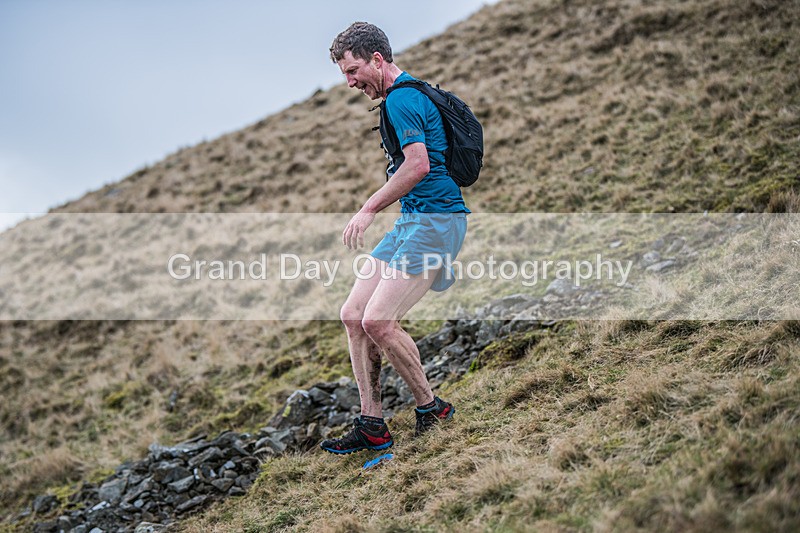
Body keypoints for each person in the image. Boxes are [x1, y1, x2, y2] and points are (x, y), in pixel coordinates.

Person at [320, 22, 469, 454]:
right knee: (353, 314)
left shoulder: (402, 99)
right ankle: (372, 424)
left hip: (437, 221)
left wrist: (368, 208)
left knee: (378, 321)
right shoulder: (402, 97)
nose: (350, 83)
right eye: (344, 75)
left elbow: (418, 165)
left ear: (377, 60)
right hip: (413, 221)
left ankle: (431, 408)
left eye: (353, 71)